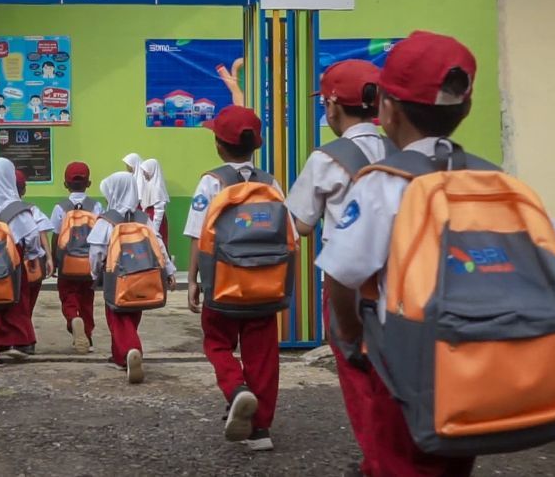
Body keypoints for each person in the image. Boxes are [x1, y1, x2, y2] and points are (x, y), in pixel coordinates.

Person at [320, 31, 555, 477]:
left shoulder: (383, 185)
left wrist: (351, 338)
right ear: (464, 107)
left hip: (410, 367)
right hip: (479, 367)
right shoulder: (501, 183)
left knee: (400, 461)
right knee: (454, 458)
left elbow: (341, 277)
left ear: (387, 107)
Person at [283, 59, 389, 475]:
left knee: (356, 369)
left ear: (331, 106)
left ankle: (377, 461)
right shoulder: (400, 148)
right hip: (405, 277)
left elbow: (302, 226)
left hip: (349, 280)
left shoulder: (326, 158)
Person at [185, 105, 284, 452]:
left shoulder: (211, 182)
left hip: (223, 282)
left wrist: (194, 280)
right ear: (255, 145)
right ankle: (261, 432)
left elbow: (198, 234)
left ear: (218, 144)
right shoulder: (270, 183)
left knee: (217, 343)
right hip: (265, 283)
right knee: (263, 354)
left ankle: (236, 389)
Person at [89, 172, 177, 383]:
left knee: (117, 317)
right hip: (143, 276)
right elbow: (159, 246)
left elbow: (96, 252)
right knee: (133, 315)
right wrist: (169, 271)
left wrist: (93, 273)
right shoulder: (143, 218)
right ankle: (120, 356)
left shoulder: (107, 220)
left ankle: (131, 350)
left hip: (117, 278)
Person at [0, 158, 45, 370]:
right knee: (16, 302)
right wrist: (34, 254)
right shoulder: (17, 209)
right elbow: (32, 237)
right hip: (12, 265)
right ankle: (15, 342)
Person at [49, 161, 103, 354]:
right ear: (89, 183)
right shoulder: (96, 206)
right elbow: (100, 236)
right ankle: (87, 335)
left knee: (68, 296)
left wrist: (55, 261)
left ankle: (73, 319)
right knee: (87, 300)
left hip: (67, 263)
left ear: (65, 184)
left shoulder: (60, 208)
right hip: (88, 263)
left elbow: (56, 236)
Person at [16, 168, 55, 356]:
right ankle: (24, 337)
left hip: (2, 265)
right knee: (27, 304)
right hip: (31, 264)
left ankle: (14, 338)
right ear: (24, 190)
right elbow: (41, 233)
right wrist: (48, 257)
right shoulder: (30, 209)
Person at [138, 158, 170, 247]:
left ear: (151, 171)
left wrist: (155, 230)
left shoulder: (157, 187)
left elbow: (159, 211)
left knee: (157, 245)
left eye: (145, 171)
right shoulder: (148, 184)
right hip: (148, 219)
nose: (143, 174)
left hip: (155, 221)